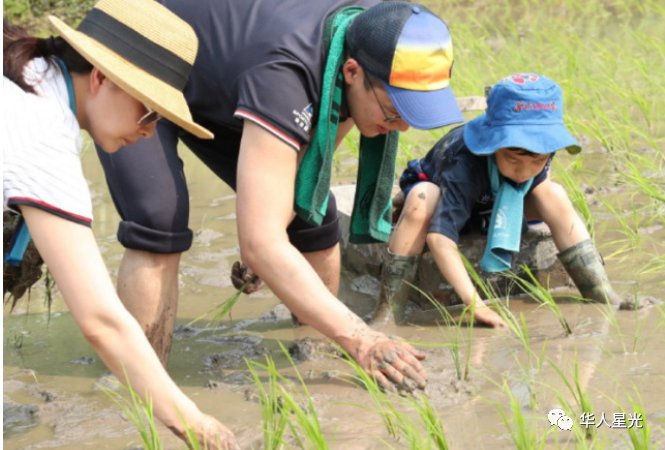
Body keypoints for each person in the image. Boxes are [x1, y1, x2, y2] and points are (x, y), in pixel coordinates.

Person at [94, 0, 464, 391]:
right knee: (159, 218)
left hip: (222, 75)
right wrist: (362, 336)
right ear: (352, 72)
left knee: (312, 216)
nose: (401, 127)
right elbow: (262, 243)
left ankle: (315, 359)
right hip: (138, 51)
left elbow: (310, 170)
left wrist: (270, 234)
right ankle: (141, 386)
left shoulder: (374, 34)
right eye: (393, 113)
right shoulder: (287, 74)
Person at [2, 0, 239, 448]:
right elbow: (102, 321)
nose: (150, 132)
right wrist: (198, 425)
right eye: (149, 112)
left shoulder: (29, 76)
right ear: (100, 78)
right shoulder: (41, 134)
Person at [380, 73, 624, 327]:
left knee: (553, 193)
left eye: (537, 161)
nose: (524, 172)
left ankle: (599, 291)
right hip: (448, 195)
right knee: (423, 200)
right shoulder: (464, 163)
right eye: (513, 160)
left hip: (493, 202)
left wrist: (532, 171)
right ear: (492, 144)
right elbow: (439, 238)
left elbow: (537, 177)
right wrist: (476, 305)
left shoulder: (540, 153)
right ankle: (387, 312)